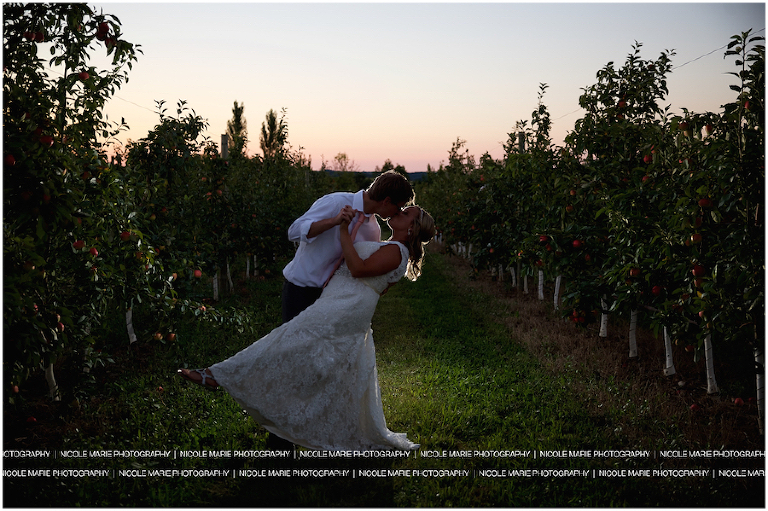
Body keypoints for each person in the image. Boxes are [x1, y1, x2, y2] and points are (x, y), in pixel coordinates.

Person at [179, 205, 435, 451]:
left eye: (406, 213)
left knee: (289, 340)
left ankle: (219, 376)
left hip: (347, 306)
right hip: (342, 301)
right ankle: (229, 380)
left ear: (411, 228)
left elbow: (357, 269)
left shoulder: (397, 251)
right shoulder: (392, 247)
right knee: (300, 347)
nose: (399, 212)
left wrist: (343, 230)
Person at [281, 170, 414, 324]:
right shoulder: (335, 202)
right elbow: (294, 232)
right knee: (294, 345)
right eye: (398, 208)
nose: (397, 213)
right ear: (387, 201)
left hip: (333, 298)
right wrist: (333, 221)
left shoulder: (373, 229)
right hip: (301, 289)